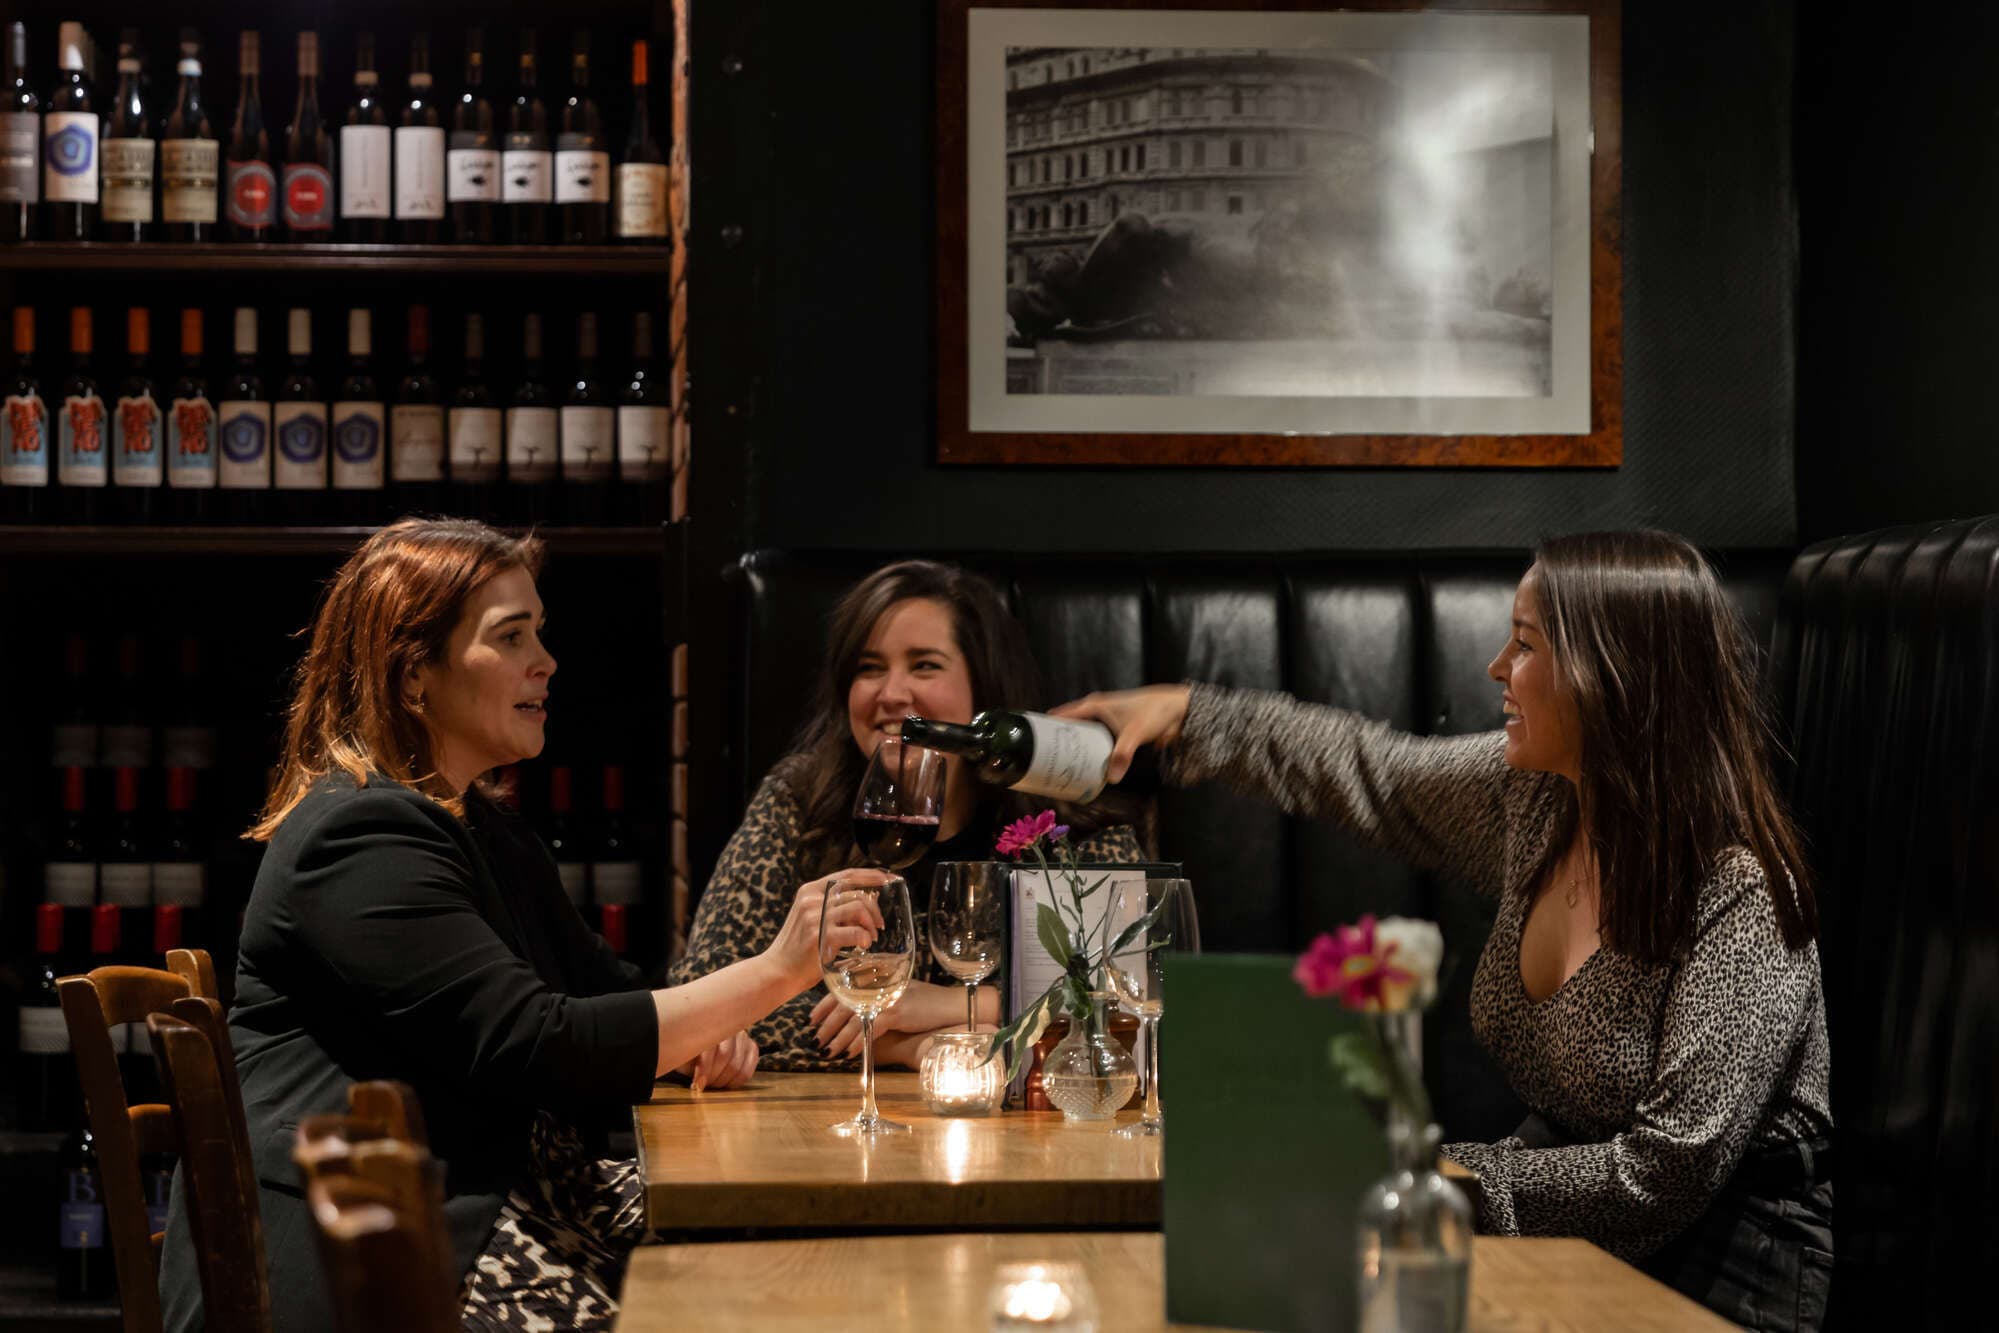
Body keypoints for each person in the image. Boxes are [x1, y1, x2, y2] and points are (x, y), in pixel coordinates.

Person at [1057, 531, 1833, 1333]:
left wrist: (1435, 1177)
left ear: (1614, 674)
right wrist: (1188, 714)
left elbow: (1662, 1175)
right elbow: (1372, 769)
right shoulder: (1533, 801)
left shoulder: (1740, 892)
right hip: (1552, 1226)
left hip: (1725, 1266)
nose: (1497, 666)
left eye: (1525, 643)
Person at [157, 519, 881, 1333]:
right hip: (374, 1256)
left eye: (539, 630)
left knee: (799, 1259)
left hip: (487, 1197)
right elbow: (541, 1048)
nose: (547, 660)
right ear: (413, 676)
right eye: (510, 637)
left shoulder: (479, 823)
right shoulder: (358, 835)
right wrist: (780, 969)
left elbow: (602, 991)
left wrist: (692, 1034)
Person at [670, 560, 1145, 1070]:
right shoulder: (802, 800)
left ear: (983, 686)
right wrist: (916, 1045)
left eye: (924, 665)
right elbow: (698, 1001)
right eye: (869, 668)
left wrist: (941, 1004)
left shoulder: (1070, 821)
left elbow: (1131, 1003)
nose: (891, 693)